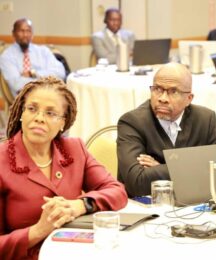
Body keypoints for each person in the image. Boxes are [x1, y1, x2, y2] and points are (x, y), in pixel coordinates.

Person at [0, 77, 128, 259]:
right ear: (21, 113)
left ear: (63, 122)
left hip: (75, 252)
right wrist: (37, 231)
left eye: (50, 113)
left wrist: (81, 205)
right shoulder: (2, 160)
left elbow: (117, 191)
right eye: (32, 109)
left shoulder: (75, 149)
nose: (39, 118)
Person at [117, 63, 216, 197]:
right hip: (146, 208)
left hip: (194, 202)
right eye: (157, 89)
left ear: (188, 99)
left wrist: (162, 167)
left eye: (173, 92)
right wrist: (197, 167)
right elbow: (137, 183)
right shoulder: (132, 122)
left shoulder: (205, 119)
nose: (162, 98)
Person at [0, 18, 66, 97]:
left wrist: (33, 73)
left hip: (49, 95)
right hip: (24, 100)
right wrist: (45, 80)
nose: (25, 35)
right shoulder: (7, 56)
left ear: (32, 34)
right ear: (13, 33)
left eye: (28, 31)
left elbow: (60, 73)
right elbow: (17, 84)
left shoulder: (43, 51)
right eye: (21, 31)